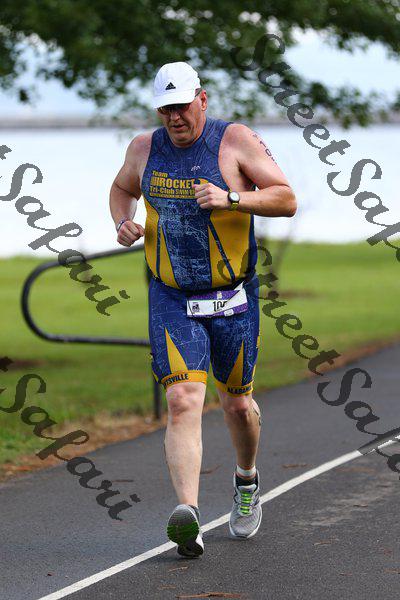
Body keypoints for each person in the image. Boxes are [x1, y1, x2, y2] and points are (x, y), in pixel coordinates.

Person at [109, 62, 296, 558]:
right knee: (183, 398)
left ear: (202, 99)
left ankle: (246, 479)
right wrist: (123, 221)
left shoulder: (234, 141)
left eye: (181, 106)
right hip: (172, 297)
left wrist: (231, 197)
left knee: (237, 405)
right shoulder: (144, 149)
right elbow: (122, 188)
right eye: (165, 109)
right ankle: (188, 515)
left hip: (232, 298)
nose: (174, 117)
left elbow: (286, 199)